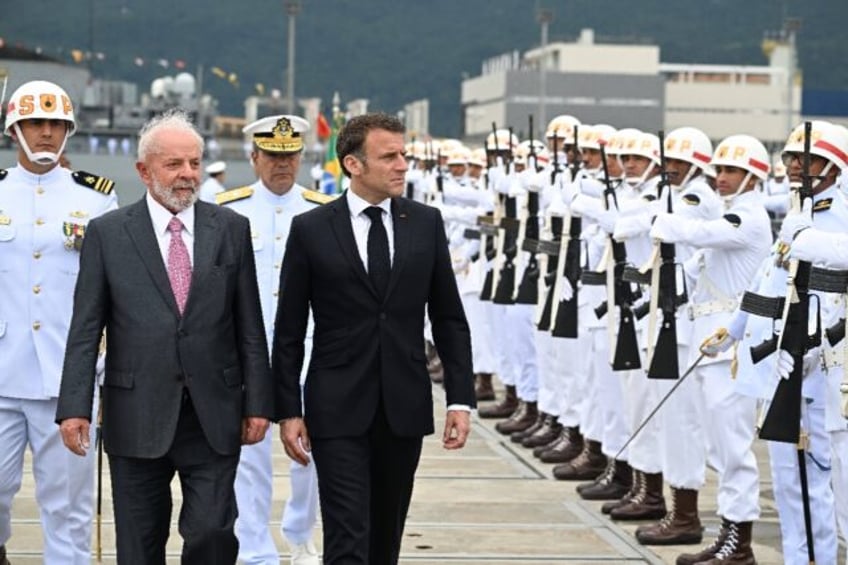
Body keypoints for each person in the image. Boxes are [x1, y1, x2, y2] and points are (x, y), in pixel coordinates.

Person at [56, 109, 274, 564]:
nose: (188, 175)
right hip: (135, 413)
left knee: (213, 534)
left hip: (213, 414)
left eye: (194, 163)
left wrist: (259, 403)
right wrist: (74, 406)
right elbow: (84, 328)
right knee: (138, 546)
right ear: (144, 170)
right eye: (174, 164)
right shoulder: (108, 234)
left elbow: (249, 325)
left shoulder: (230, 229)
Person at [272, 112, 475, 565]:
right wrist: (287, 410)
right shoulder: (312, 229)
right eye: (389, 156)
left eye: (403, 154)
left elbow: (448, 318)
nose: (403, 164)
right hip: (336, 407)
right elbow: (288, 330)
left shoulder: (426, 223)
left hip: (403, 406)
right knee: (347, 538)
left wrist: (461, 399)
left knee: (385, 540)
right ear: (353, 164)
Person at [0, 79, 118, 565]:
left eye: (56, 124)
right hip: (2, 375)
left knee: (68, 512)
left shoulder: (95, 199)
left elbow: (113, 288)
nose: (46, 132)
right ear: (15, 130)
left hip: (66, 381)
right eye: (35, 123)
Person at [217, 114, 329, 565]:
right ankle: (253, 548)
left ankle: (300, 535)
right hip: (248, 348)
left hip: (308, 346)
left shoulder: (323, 210)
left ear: (302, 157)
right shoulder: (229, 209)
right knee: (250, 452)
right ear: (254, 157)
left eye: (290, 156)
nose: (282, 165)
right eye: (273, 156)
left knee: (310, 452)